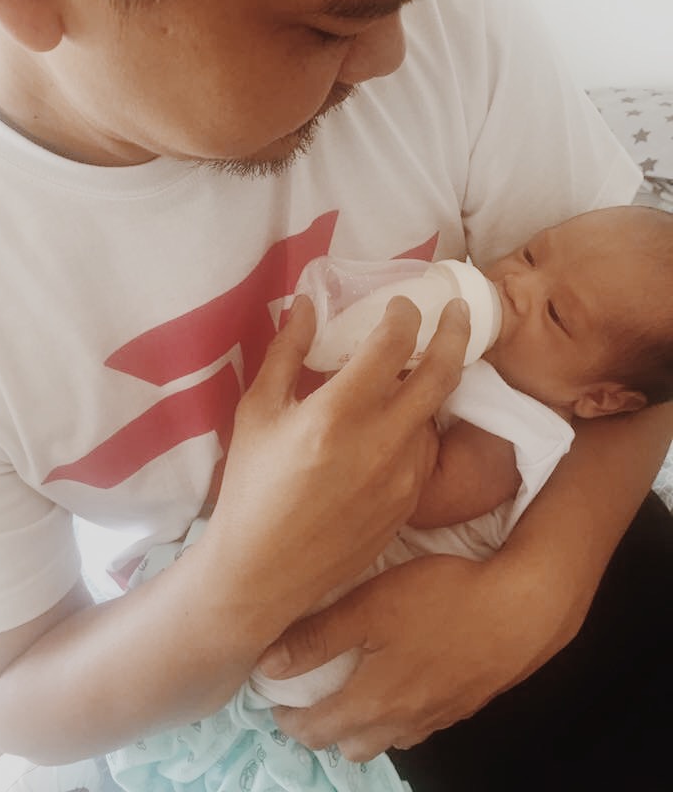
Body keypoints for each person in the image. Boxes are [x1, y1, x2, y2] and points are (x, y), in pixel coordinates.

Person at [0, 0, 670, 792]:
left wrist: (539, 589)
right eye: (332, 27)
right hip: (298, 700)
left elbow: (643, 351)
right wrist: (239, 584)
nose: (396, 54)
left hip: (587, 538)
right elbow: (12, 703)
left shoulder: (449, 18)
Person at [104, 204, 673, 792]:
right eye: (532, 254)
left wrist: (395, 389)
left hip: (383, 598)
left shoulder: (520, 427)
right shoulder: (490, 360)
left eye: (555, 314)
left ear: (601, 399)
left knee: (279, 642)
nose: (517, 284)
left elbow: (429, 495)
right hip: (326, 562)